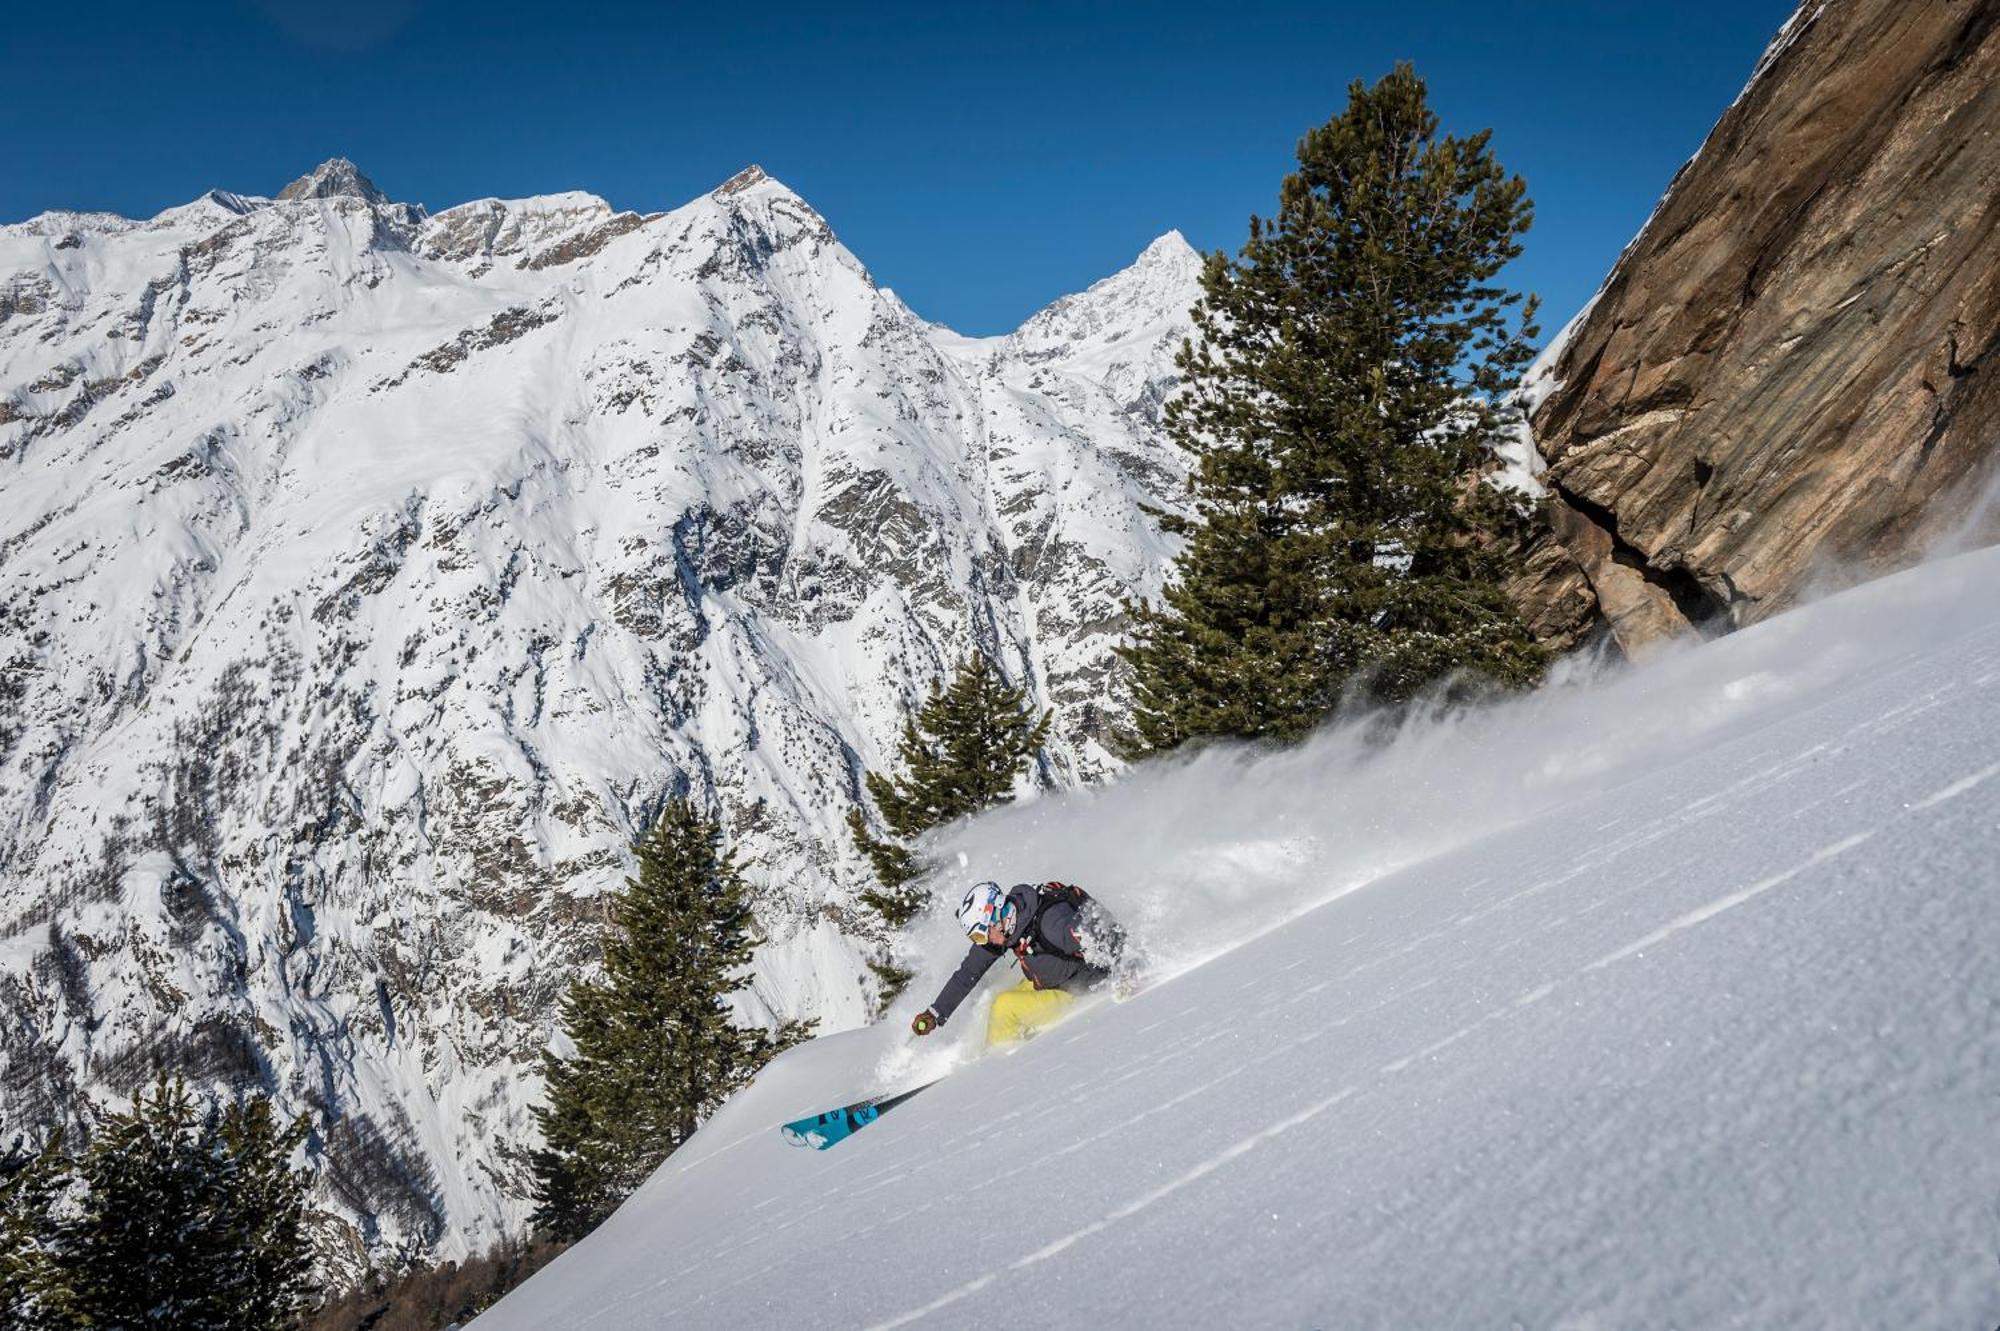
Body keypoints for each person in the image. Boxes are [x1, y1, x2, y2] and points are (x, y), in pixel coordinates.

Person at [909, 880, 1126, 1048]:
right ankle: (994, 1047)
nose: (983, 942)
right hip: (1052, 981)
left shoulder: (1050, 924)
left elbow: (1103, 932)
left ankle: (1000, 1065)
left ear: (996, 915)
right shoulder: (1013, 923)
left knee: (1004, 1008)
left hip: (1079, 991)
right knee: (997, 998)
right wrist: (936, 1013)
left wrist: (1128, 969)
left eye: (981, 934)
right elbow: (968, 972)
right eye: (976, 938)